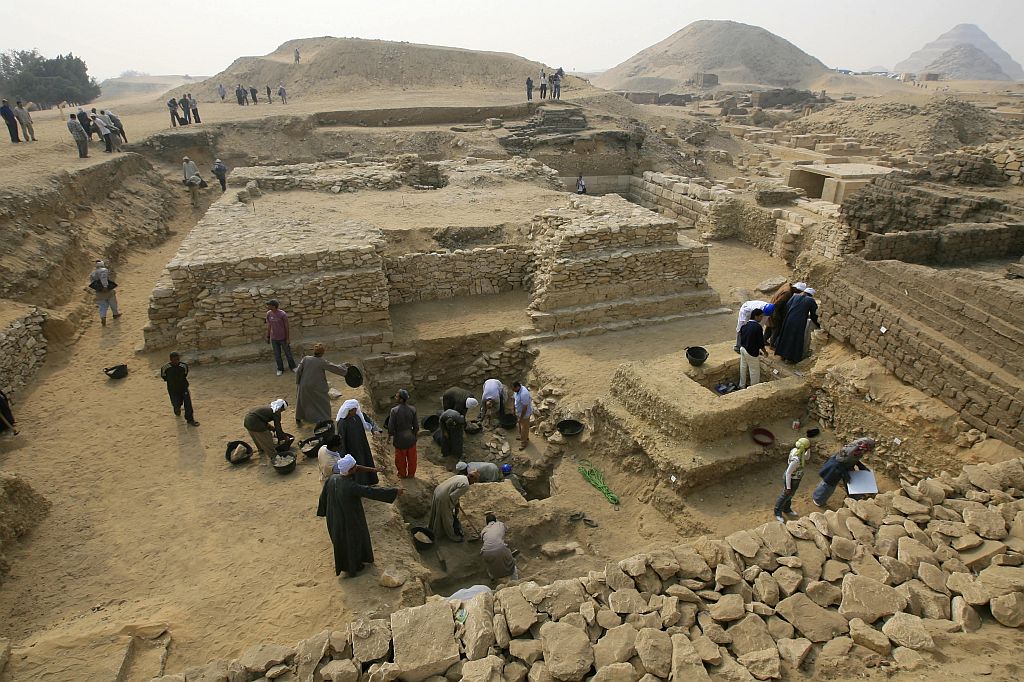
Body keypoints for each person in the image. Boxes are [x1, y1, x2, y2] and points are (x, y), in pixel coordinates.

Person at [317, 454, 402, 577]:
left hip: (334, 517)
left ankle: (346, 565)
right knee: (352, 541)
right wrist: (394, 492)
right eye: (355, 467)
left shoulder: (332, 479)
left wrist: (324, 512)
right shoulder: (350, 486)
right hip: (349, 518)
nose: (356, 468)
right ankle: (354, 566)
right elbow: (371, 492)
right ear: (350, 470)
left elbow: (323, 497)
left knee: (341, 542)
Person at [294, 343, 349, 424]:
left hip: (304, 384)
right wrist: (345, 368)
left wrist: (298, 382)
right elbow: (334, 368)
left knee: (302, 401)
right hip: (316, 387)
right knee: (323, 402)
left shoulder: (306, 358)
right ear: (322, 353)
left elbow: (298, 371)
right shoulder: (322, 362)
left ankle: (298, 417)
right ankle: (325, 418)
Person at [812, 438, 874, 508]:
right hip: (834, 469)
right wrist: (846, 475)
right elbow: (839, 463)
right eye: (868, 449)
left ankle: (855, 496)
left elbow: (854, 459)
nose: (866, 452)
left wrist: (860, 466)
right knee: (828, 485)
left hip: (845, 466)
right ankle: (818, 499)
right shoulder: (850, 451)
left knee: (851, 481)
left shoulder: (859, 449)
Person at [336, 399, 381, 485]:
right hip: (351, 450)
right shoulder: (342, 423)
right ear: (348, 411)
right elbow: (342, 440)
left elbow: (369, 420)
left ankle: (369, 482)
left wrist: (374, 429)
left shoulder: (357, 416)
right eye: (354, 410)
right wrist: (343, 454)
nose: (356, 411)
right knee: (356, 468)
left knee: (365, 462)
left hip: (362, 445)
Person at [774, 284, 819, 363]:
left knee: (786, 336)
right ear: (811, 295)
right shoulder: (811, 300)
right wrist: (818, 324)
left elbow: (787, 306)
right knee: (795, 339)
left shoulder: (795, 296)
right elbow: (814, 314)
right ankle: (790, 358)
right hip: (799, 322)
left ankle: (782, 355)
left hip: (789, 319)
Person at [428, 472, 477, 541]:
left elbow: (455, 493)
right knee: (447, 518)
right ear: (471, 478)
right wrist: (456, 504)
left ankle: (433, 528)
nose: (474, 483)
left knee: (436, 512)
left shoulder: (461, 476)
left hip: (437, 491)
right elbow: (453, 496)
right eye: (474, 480)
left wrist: (457, 503)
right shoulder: (466, 485)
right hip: (443, 497)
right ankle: (452, 536)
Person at [774, 437, 810, 522]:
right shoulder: (796, 460)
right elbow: (788, 473)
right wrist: (788, 487)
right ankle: (777, 512)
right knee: (785, 495)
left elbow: (807, 457)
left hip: (796, 478)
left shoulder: (797, 451)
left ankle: (786, 509)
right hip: (791, 479)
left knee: (790, 496)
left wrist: (808, 450)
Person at [160, 351, 199, 426]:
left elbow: (185, 374)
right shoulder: (165, 367)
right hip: (173, 389)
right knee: (176, 403)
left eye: (178, 359)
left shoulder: (183, 366)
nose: (176, 361)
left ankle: (190, 419)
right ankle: (177, 408)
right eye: (175, 359)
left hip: (183, 387)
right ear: (171, 360)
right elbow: (163, 376)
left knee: (188, 403)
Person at [388, 389, 418, 478]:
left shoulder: (394, 411)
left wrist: (390, 435)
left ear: (401, 399)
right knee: (412, 458)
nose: (395, 397)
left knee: (400, 459)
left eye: (397, 396)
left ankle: (402, 474)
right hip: (411, 437)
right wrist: (414, 436)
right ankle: (411, 474)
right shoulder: (413, 409)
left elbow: (391, 427)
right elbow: (416, 426)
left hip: (399, 439)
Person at [480, 513, 518, 580]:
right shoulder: (500, 524)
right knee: (511, 564)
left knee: (490, 565)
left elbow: (483, 540)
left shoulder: (484, 530)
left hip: (485, 552)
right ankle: (515, 580)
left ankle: (492, 577)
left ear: (487, 522)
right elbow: (506, 529)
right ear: (495, 520)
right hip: (500, 548)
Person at [265, 299, 297, 375]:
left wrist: (288, 338)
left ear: (273, 306)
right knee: (277, 355)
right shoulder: (269, 314)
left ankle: (293, 367)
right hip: (274, 338)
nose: (268, 306)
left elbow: (286, 327)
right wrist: (268, 336)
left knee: (288, 354)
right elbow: (269, 325)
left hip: (283, 338)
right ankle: (280, 369)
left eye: (269, 305)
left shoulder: (282, 314)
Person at [738, 308, 767, 389]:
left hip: (743, 348)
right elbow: (761, 343)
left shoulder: (744, 326)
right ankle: (754, 388)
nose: (762, 318)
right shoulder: (758, 327)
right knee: (754, 370)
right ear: (756, 316)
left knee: (743, 367)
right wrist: (765, 352)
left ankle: (742, 385)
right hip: (751, 351)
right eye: (761, 316)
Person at [765, 282, 797, 347]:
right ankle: (772, 344)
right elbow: (778, 304)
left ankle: (764, 340)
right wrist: (777, 315)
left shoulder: (787, 285)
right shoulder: (787, 292)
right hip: (775, 311)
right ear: (796, 289)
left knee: (770, 326)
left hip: (771, 308)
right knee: (777, 328)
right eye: (799, 291)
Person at [89, 260, 120, 325]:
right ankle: (115, 314)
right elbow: (104, 278)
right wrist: (105, 286)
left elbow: (92, 283)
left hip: (99, 292)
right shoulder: (103, 270)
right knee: (113, 303)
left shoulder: (92, 273)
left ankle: (103, 317)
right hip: (107, 290)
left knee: (102, 306)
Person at [512, 381, 532, 450]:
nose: (513, 391)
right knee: (520, 426)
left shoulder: (524, 394)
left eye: (513, 389)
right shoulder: (516, 391)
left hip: (525, 414)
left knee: (524, 428)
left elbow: (525, 408)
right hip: (519, 412)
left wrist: (521, 417)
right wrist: (513, 409)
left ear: (517, 387)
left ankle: (524, 443)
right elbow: (515, 400)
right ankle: (523, 437)